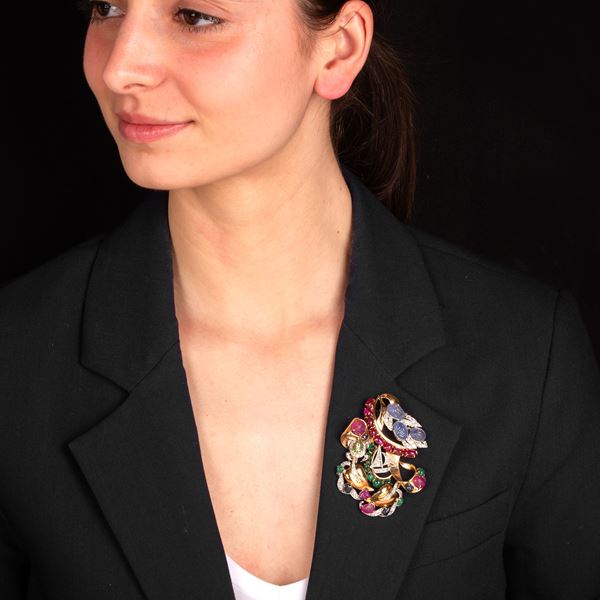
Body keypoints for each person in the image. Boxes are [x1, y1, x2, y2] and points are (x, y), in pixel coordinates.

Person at [1, 0, 599, 598]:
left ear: (340, 48)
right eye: (106, 7)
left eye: (194, 17)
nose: (119, 67)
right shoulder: (16, 363)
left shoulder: (525, 356)